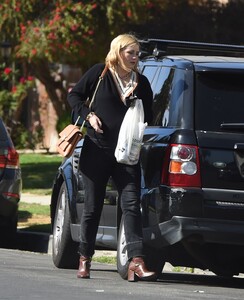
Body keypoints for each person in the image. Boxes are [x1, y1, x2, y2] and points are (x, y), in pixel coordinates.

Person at [67, 33, 155, 282]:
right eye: (131, 53)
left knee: (131, 206)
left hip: (127, 154)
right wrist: (87, 116)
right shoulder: (99, 73)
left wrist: (136, 104)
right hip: (97, 149)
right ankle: (85, 258)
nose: (136, 58)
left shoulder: (142, 83)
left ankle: (136, 261)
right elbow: (73, 96)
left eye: (138, 53)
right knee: (92, 208)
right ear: (118, 52)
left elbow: (150, 115)